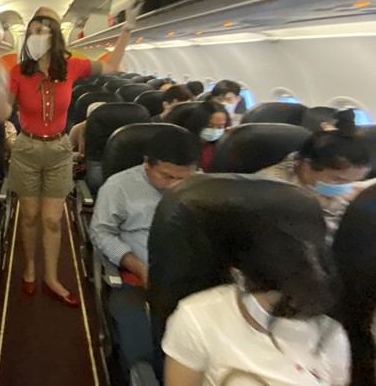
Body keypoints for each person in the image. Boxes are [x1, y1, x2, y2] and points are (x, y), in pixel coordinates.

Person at [0, 0, 143, 307]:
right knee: (30, 217)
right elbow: (2, 115)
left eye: (44, 30)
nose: (38, 36)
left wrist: (126, 28)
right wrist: (2, 88)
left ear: (55, 36)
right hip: (27, 149)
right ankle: (30, 268)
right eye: (34, 31)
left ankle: (51, 276)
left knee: (52, 219)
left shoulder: (72, 66)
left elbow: (113, 65)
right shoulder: (19, 73)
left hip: (59, 149)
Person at [162, 219, 350, 385]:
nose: (297, 309)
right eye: (286, 301)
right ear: (245, 280)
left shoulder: (329, 334)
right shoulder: (198, 319)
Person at [89, 129, 200, 378]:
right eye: (168, 176)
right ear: (147, 162)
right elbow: (101, 233)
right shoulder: (119, 187)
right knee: (142, 352)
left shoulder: (205, 188)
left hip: (195, 280)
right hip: (139, 279)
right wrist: (137, 266)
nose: (176, 186)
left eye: (184, 179)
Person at [257, 109, 371, 243]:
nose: (348, 188)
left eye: (355, 181)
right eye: (339, 180)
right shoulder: (268, 190)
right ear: (307, 166)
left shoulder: (336, 181)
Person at [183, 101, 231, 173]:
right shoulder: (184, 143)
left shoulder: (224, 146)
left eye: (220, 127)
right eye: (209, 126)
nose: (215, 130)